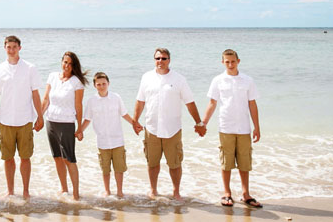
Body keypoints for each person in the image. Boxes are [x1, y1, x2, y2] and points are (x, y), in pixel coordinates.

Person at [133, 47, 205, 199]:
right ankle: (153, 190)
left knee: (175, 163)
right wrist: (135, 121)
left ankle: (176, 191)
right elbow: (140, 101)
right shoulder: (146, 77)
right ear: (154, 60)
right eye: (158, 58)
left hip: (172, 129)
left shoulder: (179, 79)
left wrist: (199, 122)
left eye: (164, 58)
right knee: (152, 163)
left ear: (169, 60)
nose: (160, 61)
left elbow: (189, 102)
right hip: (151, 128)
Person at [200, 49, 262, 208]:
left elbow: (252, 104)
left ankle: (245, 194)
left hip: (244, 128)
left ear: (238, 61)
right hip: (225, 127)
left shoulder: (247, 80)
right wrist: (203, 123)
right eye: (227, 62)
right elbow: (212, 103)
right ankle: (227, 193)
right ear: (222, 62)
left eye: (233, 61)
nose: (230, 64)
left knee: (244, 162)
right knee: (226, 162)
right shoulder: (218, 80)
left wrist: (257, 127)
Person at [0, 35, 44, 198]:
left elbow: (35, 94)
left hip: (25, 119)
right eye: (8, 47)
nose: (11, 50)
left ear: (20, 48)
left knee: (25, 157)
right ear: (4, 48)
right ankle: (10, 191)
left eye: (14, 47)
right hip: (5, 121)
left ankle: (26, 191)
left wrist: (40, 117)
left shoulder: (30, 68)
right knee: (8, 158)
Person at [77, 71, 141, 198]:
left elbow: (124, 114)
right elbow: (88, 119)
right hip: (102, 141)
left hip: (118, 140)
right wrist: (80, 131)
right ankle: (107, 191)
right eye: (99, 84)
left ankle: (119, 191)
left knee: (119, 168)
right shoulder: (91, 101)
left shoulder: (116, 97)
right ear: (95, 85)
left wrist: (135, 124)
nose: (101, 86)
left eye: (104, 84)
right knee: (105, 169)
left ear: (108, 84)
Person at [41, 51, 87, 200]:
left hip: (67, 124)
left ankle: (76, 194)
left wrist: (79, 127)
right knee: (57, 157)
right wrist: (39, 118)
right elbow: (46, 99)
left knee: (69, 158)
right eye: (65, 62)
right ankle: (64, 188)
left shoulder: (76, 82)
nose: (67, 66)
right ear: (61, 62)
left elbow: (78, 106)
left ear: (74, 66)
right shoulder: (52, 76)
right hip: (51, 122)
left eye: (70, 63)